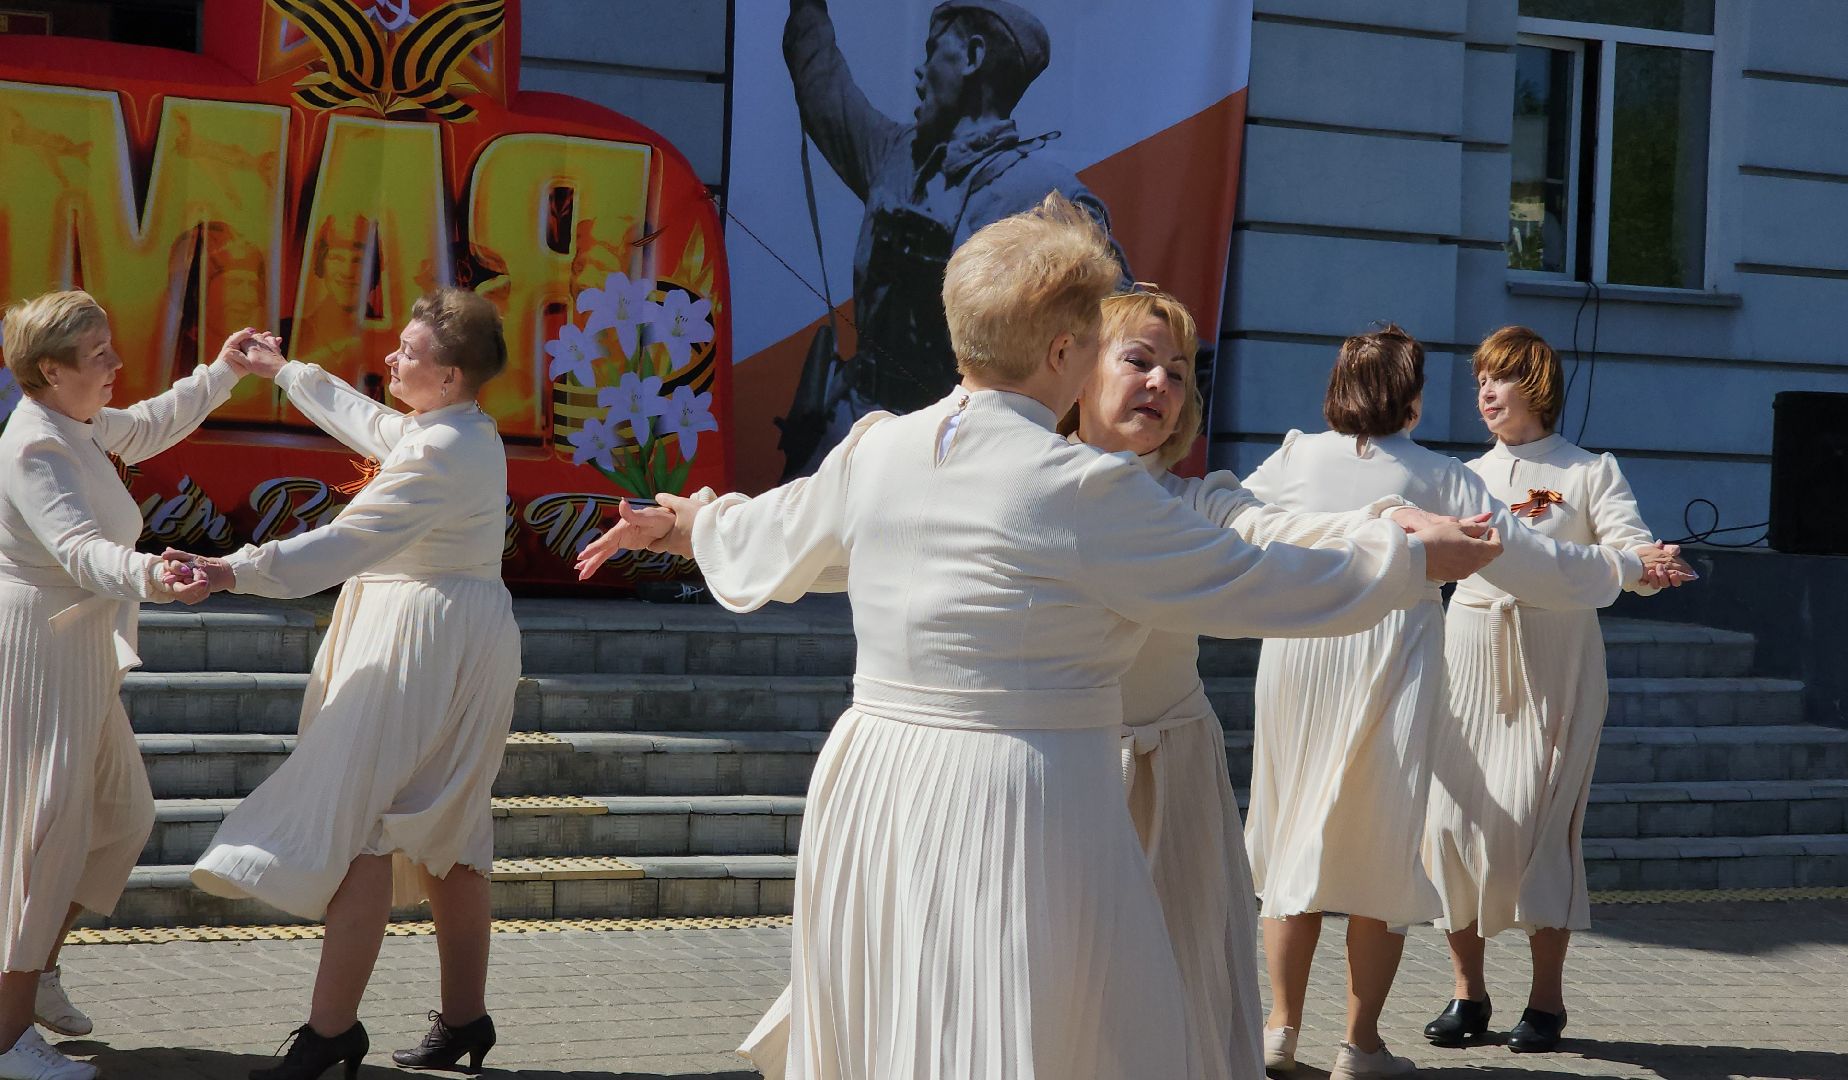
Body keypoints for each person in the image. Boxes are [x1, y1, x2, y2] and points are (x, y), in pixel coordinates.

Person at [582, 194, 1501, 1080]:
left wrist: (690, 525)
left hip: (875, 777)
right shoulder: (1079, 487)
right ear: (1064, 351)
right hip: (1015, 787)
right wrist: (1411, 561)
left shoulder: (881, 446)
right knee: (1049, 1021)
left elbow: (777, 534)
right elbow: (1253, 581)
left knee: (911, 1014)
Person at [1240, 325, 1688, 1079]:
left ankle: (1279, 1031)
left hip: (1301, 653)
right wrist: (1621, 567)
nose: (1482, 392)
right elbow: (1529, 559)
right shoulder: (1444, 477)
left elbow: (1231, 519)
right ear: (1413, 402)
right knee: (1384, 849)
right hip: (1390, 658)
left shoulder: (1293, 457)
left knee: (1295, 840)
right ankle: (1361, 1045)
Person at [172, 289, 519, 1080]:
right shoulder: (461, 430)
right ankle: (465, 1018)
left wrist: (230, 570)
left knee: (366, 826)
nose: (392, 357)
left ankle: (331, 1032)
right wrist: (287, 372)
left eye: (409, 351)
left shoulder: (441, 450)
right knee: (454, 832)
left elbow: (346, 541)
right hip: (461, 631)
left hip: (423, 639)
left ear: (450, 375)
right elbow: (373, 423)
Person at [0, 290, 249, 1080]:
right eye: (98, 353)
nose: (116, 362)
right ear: (51, 371)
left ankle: (36, 967)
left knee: (120, 818)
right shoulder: (34, 444)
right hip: (43, 649)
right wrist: (156, 575)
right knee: (44, 837)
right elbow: (79, 551)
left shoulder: (77, 425)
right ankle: (7, 1038)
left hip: (81, 649)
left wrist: (223, 371)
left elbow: (147, 425)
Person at [1421, 326, 1690, 1055]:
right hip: (1469, 650)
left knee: (1539, 826)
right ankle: (1468, 993)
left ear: (1536, 385)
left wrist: (1651, 566)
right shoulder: (1462, 474)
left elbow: (1628, 550)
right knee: (1451, 823)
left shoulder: (1589, 471)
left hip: (1556, 657)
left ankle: (1546, 1002)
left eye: (1500, 378)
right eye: (1480, 379)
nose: (1486, 391)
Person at [778, 0, 1129, 475]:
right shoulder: (895, 156)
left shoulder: (1044, 195)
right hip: (853, 435)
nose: (920, 72)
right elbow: (822, 83)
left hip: (957, 452)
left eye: (932, 51)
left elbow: (1123, 321)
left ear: (972, 56)